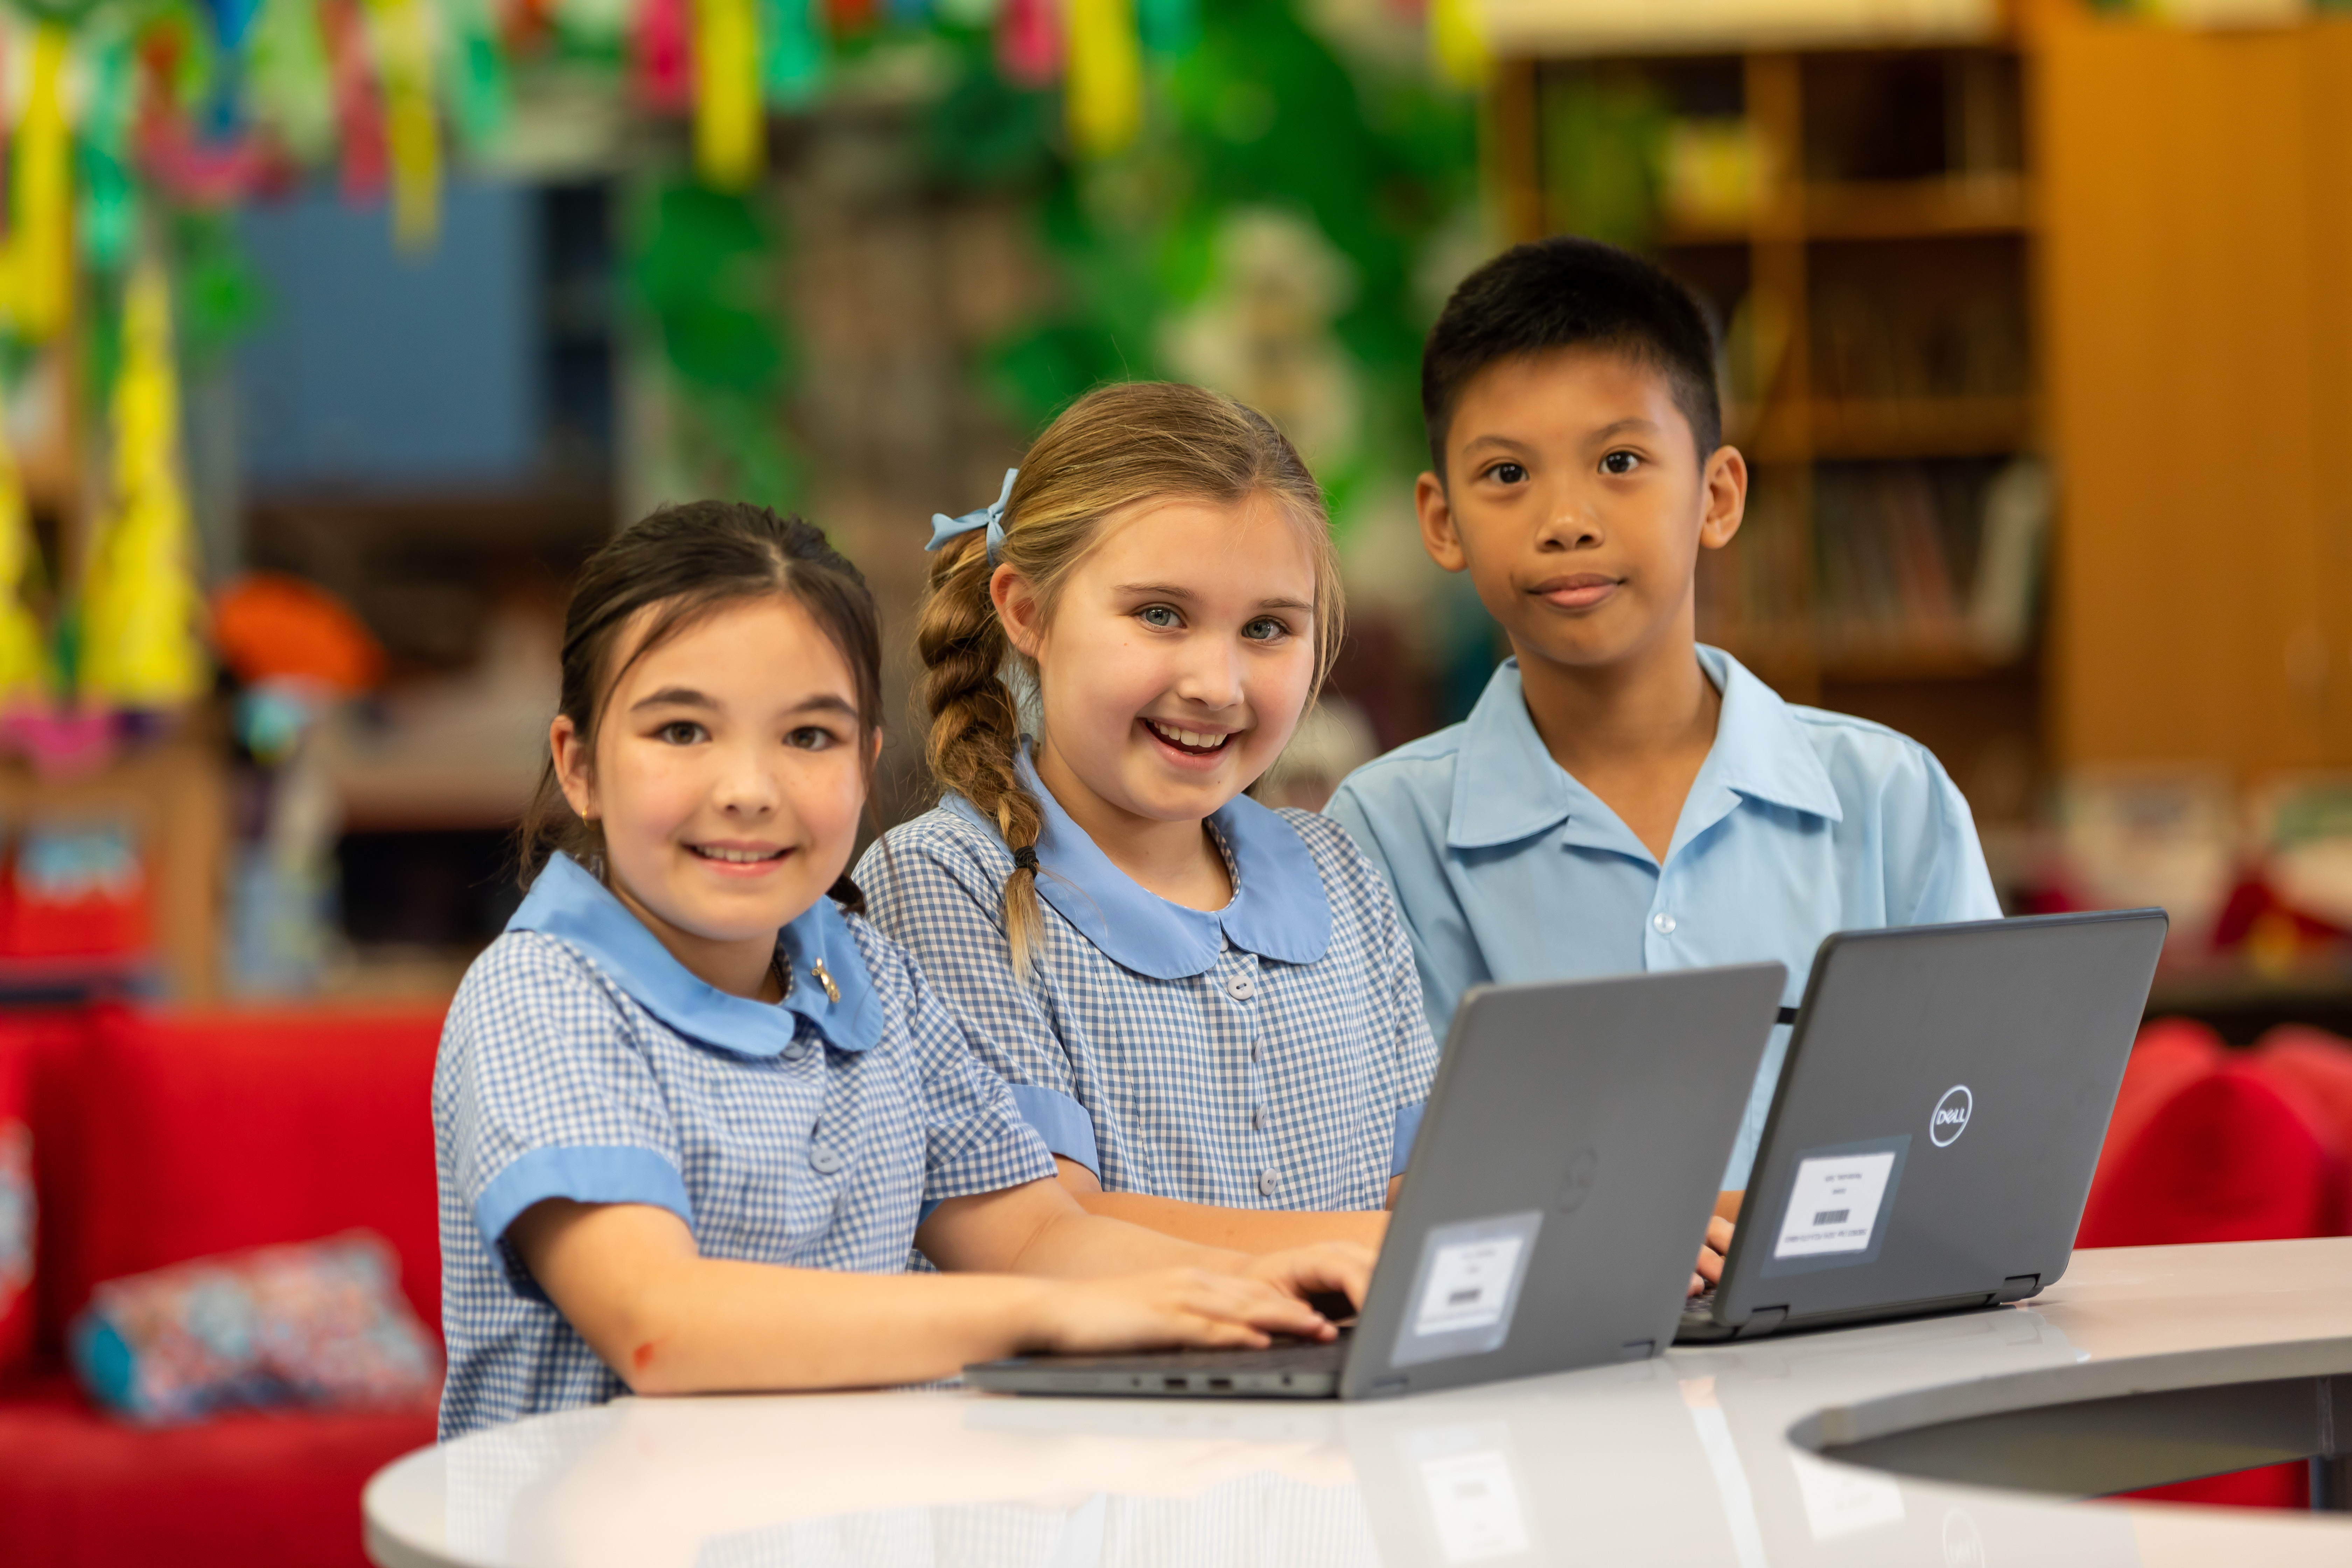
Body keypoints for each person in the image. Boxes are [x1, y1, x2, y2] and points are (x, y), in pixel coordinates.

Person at [433, 502, 1370, 1439]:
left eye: (809, 737)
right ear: (580, 766)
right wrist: (1049, 1321)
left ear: (867, 764)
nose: (749, 791)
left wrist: (1238, 1288)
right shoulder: (546, 995)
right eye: (682, 732)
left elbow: (1034, 1237)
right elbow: (660, 1327)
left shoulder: (868, 973)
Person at [1325, 237, 2002, 1204]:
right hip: (1542, 1351)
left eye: (1620, 460)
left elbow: (1976, 1128)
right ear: (1442, 523)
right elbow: (1391, 1177)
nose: (1567, 519)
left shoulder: (1891, 796)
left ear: (1718, 496)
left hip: (1866, 1339)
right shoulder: (1384, 834)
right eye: (1507, 475)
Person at [855, 383, 1434, 1256]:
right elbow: (1046, 1229)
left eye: (1269, 627)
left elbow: (1423, 1185)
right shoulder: (946, 881)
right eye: (1160, 614)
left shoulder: (1339, 870)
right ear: (1027, 612)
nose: (1216, 683)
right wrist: (1399, 1244)